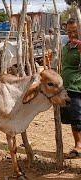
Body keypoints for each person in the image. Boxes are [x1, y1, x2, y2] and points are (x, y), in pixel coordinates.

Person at [60, 18, 81, 159]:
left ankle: (78, 146)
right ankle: (77, 144)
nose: (72, 34)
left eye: (75, 31)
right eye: (69, 31)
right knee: (72, 119)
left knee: (78, 118)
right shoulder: (66, 46)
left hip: (78, 88)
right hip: (66, 88)